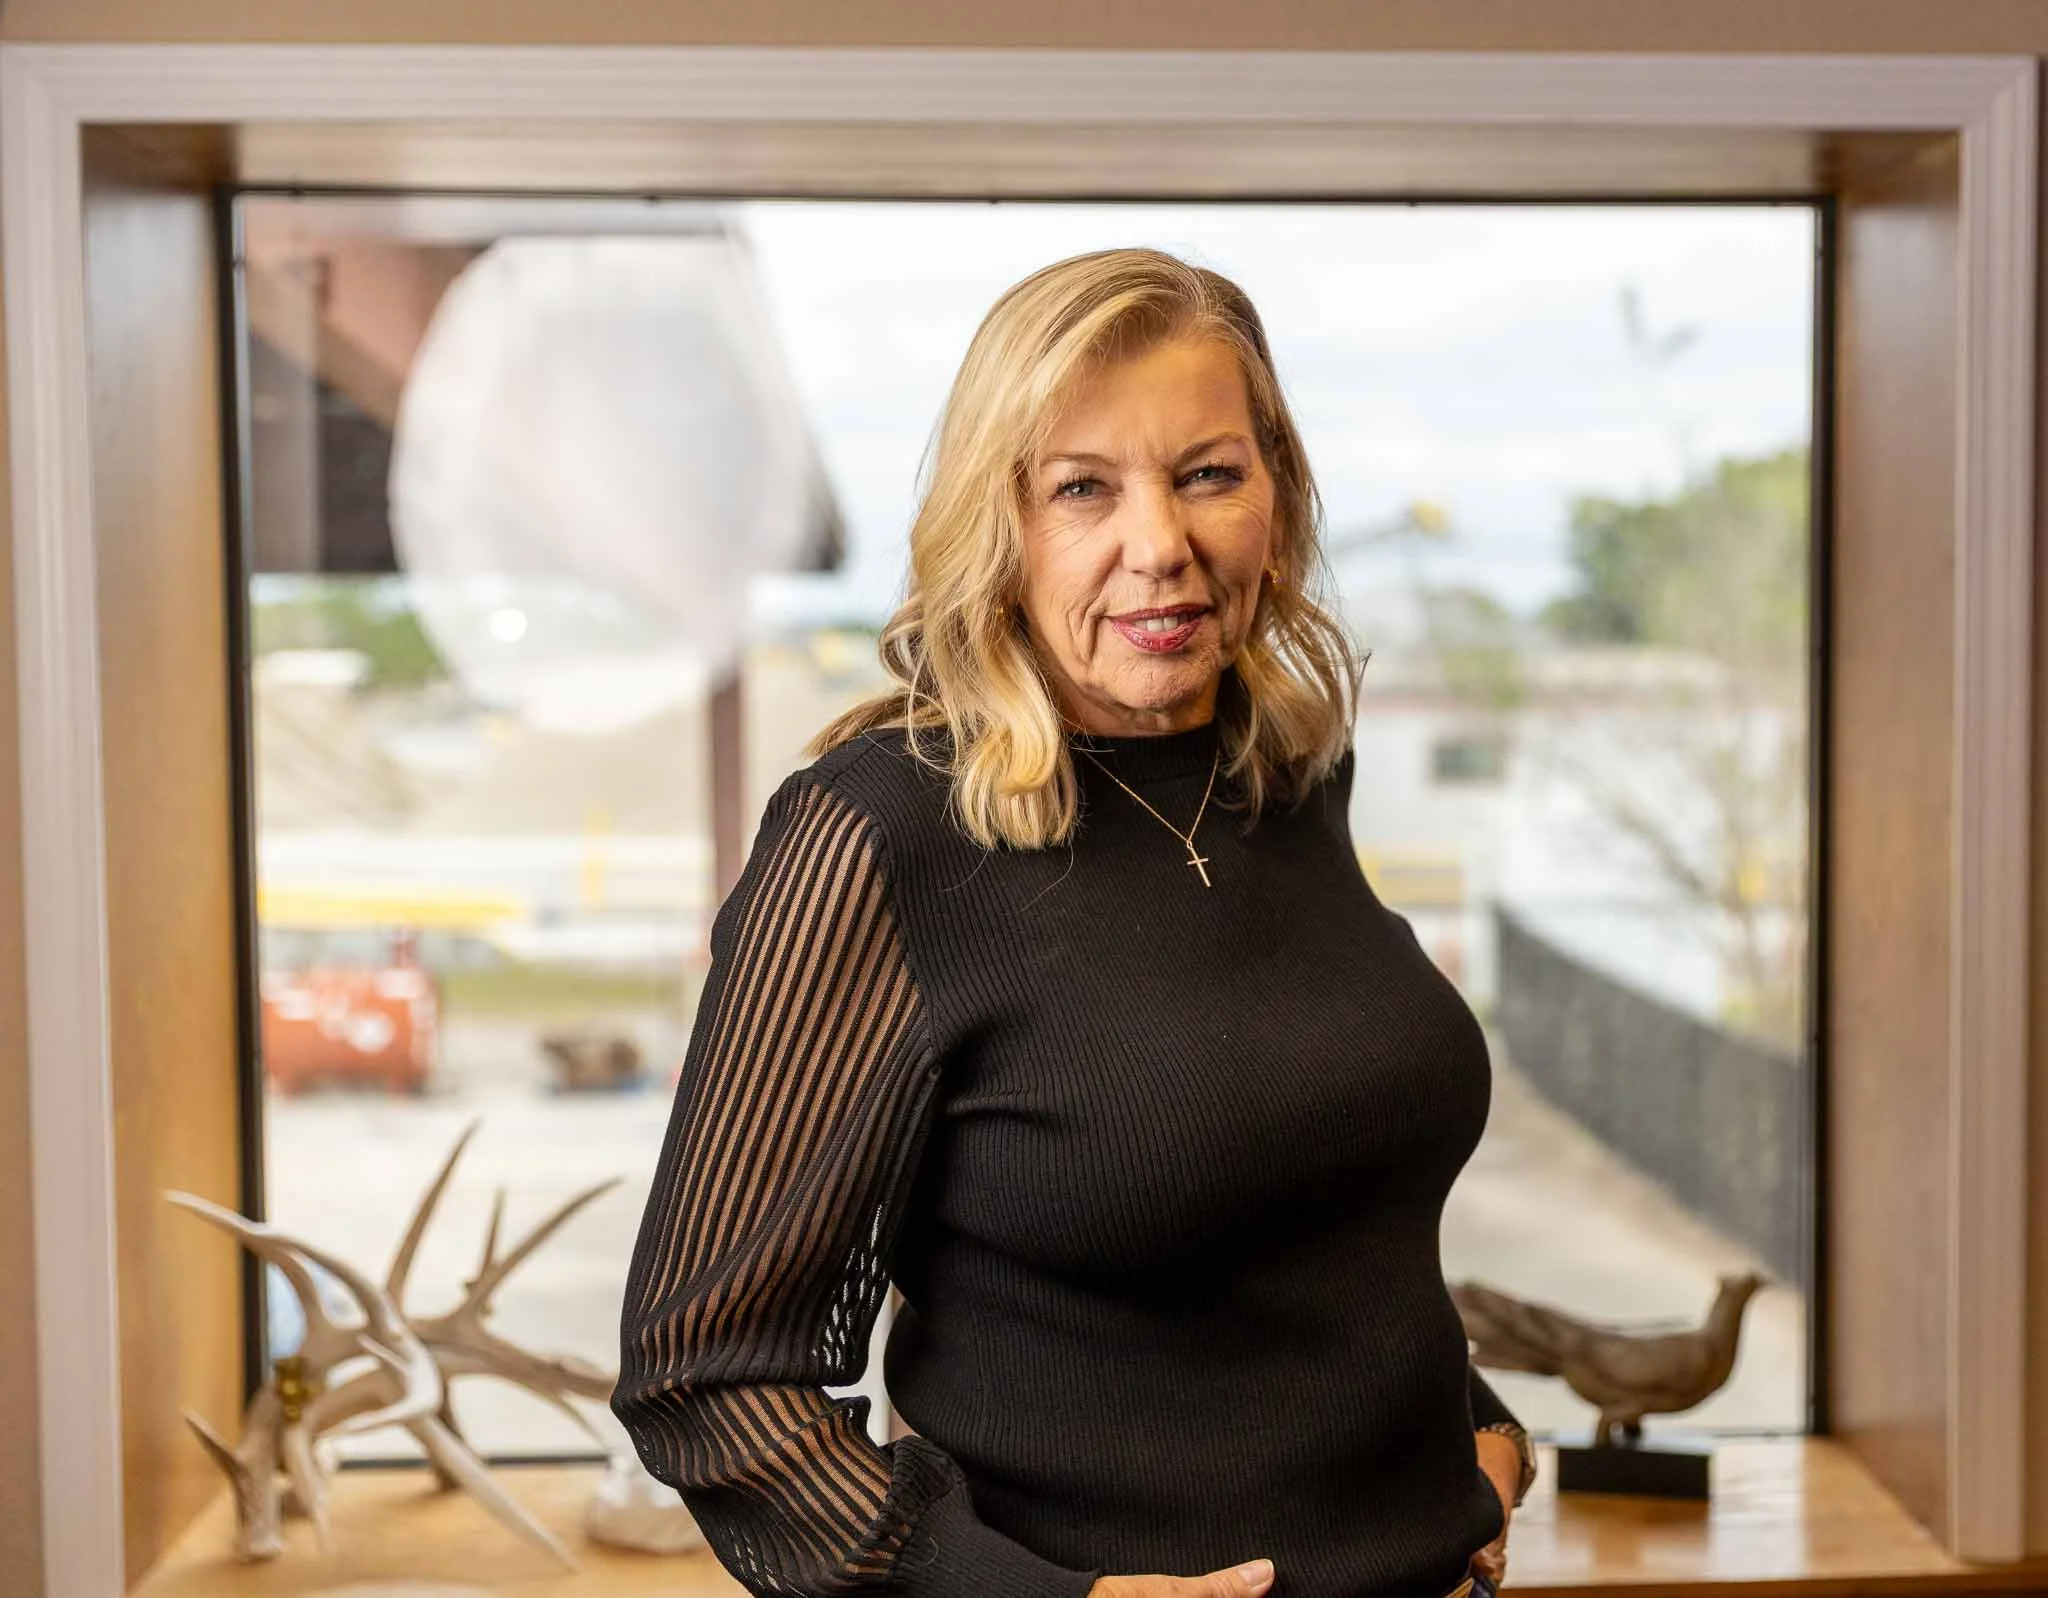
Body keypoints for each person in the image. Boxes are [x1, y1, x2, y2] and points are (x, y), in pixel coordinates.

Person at [611, 246, 1537, 1598]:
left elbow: (1300, 1204)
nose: (1158, 542)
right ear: (1004, 523)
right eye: (1082, 488)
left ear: (1273, 492)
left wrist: (1475, 1428)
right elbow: (705, 1368)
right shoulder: (879, 831)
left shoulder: (1283, 771)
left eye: (1208, 472)